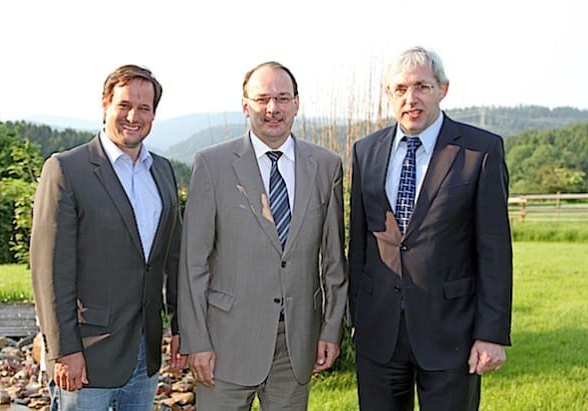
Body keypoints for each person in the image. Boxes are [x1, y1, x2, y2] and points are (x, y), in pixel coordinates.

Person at [348, 46, 513, 410]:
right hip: (379, 333)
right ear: (389, 94)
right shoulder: (366, 152)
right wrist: (355, 317)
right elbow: (359, 244)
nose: (411, 99)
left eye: (422, 86)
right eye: (401, 89)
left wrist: (491, 334)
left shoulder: (479, 151)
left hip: (451, 333)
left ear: (443, 89)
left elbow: (495, 250)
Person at [178, 61, 348, 410]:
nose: (273, 109)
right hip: (225, 344)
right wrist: (196, 341)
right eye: (262, 99)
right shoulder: (212, 165)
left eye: (283, 98)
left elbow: (333, 262)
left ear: (297, 104)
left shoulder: (326, 167)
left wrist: (331, 329)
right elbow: (193, 263)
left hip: (296, 345)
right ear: (245, 105)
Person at [30, 64, 186, 410]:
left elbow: (173, 259)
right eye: (124, 105)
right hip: (87, 354)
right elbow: (49, 272)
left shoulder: (161, 170)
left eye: (144, 108)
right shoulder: (67, 169)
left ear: (154, 114)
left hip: (145, 352)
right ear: (105, 105)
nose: (133, 116)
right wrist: (64, 350)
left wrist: (181, 328)